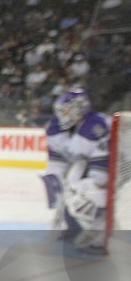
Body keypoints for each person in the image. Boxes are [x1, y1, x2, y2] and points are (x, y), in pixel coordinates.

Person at [41, 87, 111, 253]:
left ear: (80, 107)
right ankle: (68, 225)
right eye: (61, 110)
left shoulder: (95, 124)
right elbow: (56, 166)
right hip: (87, 164)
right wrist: (56, 187)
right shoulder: (55, 126)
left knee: (88, 191)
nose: (62, 115)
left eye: (66, 110)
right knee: (61, 185)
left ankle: (98, 232)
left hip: (108, 165)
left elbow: (98, 174)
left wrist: (74, 183)